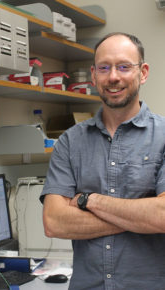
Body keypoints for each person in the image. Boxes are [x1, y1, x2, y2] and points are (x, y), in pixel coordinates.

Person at [40, 32, 165, 290]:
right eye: (104, 68)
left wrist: (89, 200)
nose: (113, 77)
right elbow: (54, 222)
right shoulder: (70, 142)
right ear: (94, 75)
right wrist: (139, 218)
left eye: (124, 67)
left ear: (143, 72)